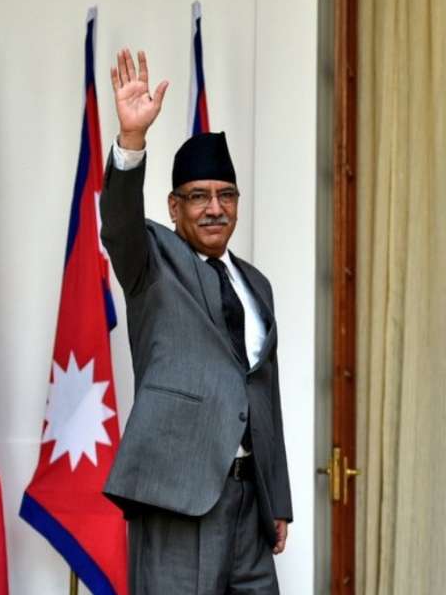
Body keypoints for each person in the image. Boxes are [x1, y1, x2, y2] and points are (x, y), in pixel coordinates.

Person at [100, 48, 292, 594]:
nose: (215, 208)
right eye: (199, 197)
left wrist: (276, 497)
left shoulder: (256, 284)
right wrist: (132, 139)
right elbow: (118, 223)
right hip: (177, 497)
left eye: (226, 195)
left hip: (249, 504)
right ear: (174, 207)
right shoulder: (152, 261)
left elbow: (264, 393)